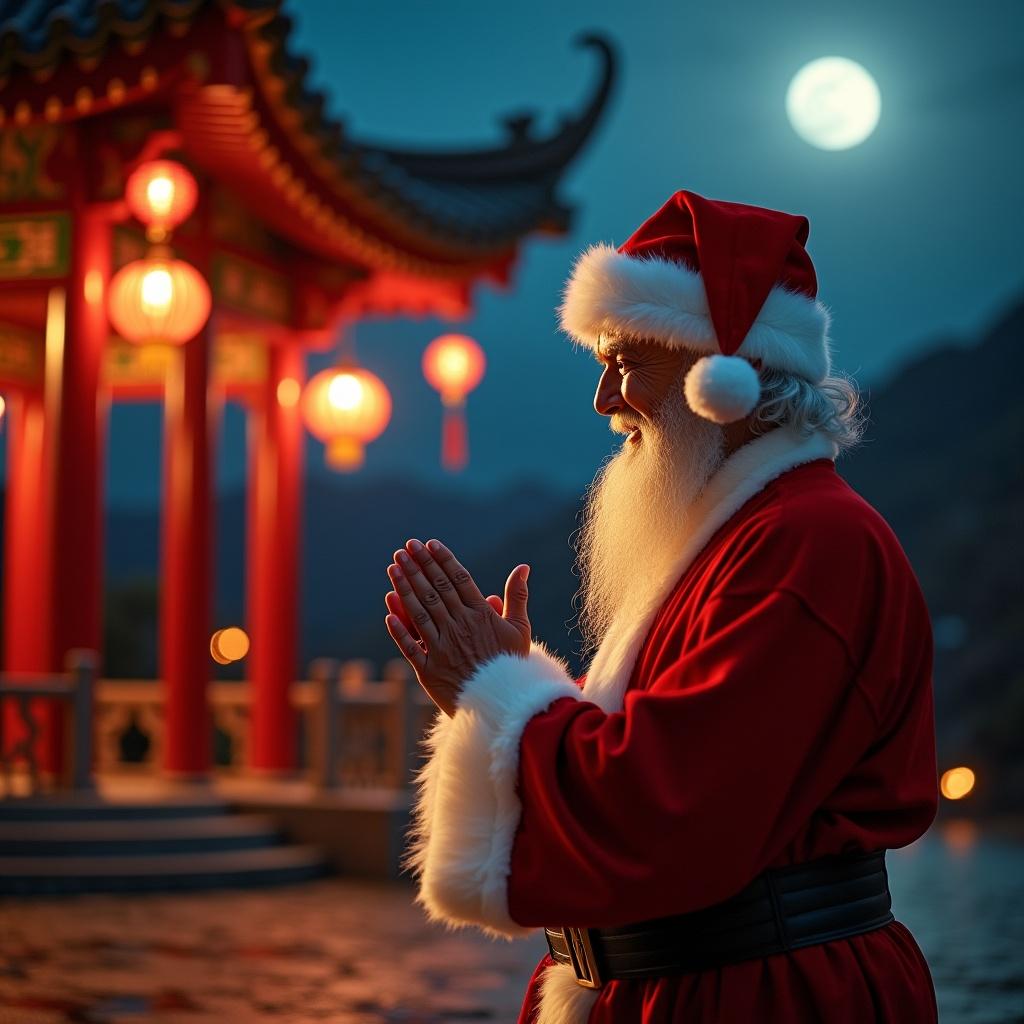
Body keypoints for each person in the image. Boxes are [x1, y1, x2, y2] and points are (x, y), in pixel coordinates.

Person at [383, 190, 939, 1023]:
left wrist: (498, 694)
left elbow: (673, 809)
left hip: (765, 995)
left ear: (722, 374)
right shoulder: (747, 534)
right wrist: (516, 691)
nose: (605, 399)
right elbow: (680, 765)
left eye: (625, 360)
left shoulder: (812, 543)